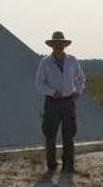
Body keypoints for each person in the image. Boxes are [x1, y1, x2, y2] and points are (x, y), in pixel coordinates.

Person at [35, 31, 85, 176]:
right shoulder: (45, 62)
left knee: (69, 134)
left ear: (64, 45)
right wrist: (51, 92)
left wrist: (78, 92)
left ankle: (68, 165)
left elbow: (81, 78)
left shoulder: (72, 61)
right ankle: (51, 166)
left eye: (61, 43)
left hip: (69, 101)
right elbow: (39, 83)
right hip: (52, 102)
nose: (59, 46)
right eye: (56, 43)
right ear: (52, 45)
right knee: (50, 134)